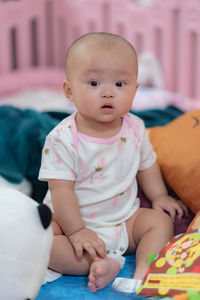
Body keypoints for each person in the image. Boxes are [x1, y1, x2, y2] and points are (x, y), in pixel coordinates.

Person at [39, 32, 187, 293]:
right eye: (94, 83)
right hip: (72, 223)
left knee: (159, 223)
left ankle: (144, 272)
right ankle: (101, 263)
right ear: (69, 91)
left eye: (120, 84)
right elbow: (60, 190)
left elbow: (147, 165)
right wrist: (77, 232)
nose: (108, 92)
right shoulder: (62, 138)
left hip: (124, 221)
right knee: (41, 242)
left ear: (135, 90)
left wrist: (160, 196)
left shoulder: (135, 127)